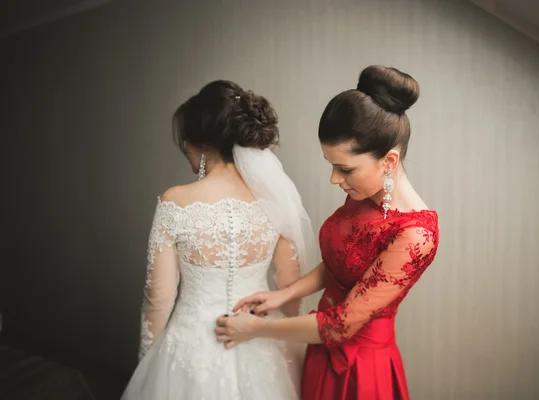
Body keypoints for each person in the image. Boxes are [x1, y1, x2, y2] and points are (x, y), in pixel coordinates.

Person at [215, 65, 440, 400]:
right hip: (320, 347)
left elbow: (338, 325)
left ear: (389, 162)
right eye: (331, 165)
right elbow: (342, 264)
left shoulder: (415, 235)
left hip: (360, 371)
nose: (334, 179)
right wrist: (284, 294)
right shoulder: (364, 193)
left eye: (345, 169)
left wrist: (257, 330)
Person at [121, 80, 316, 400]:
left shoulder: (175, 201)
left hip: (190, 348)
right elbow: (290, 288)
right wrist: (288, 343)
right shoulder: (275, 201)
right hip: (263, 339)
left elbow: (159, 297)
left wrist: (147, 364)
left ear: (198, 143)